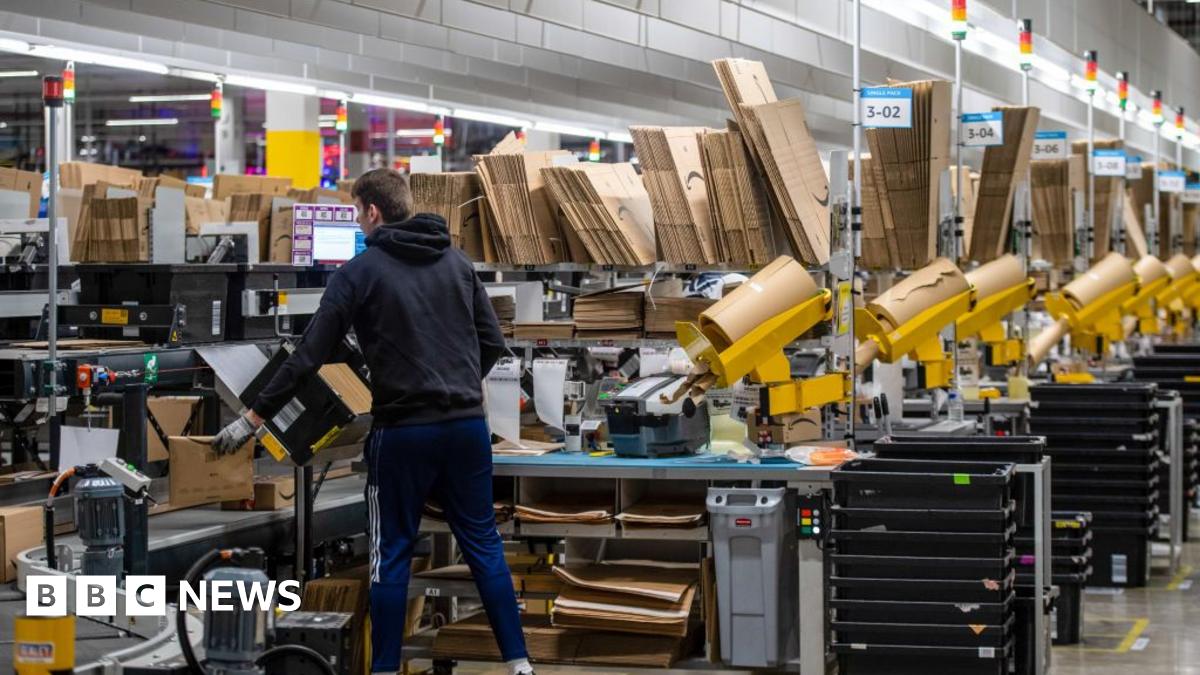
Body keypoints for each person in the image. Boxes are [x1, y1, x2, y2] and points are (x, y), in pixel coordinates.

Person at [213, 169, 532, 675]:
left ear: (372, 212)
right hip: (467, 429)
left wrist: (253, 416)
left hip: (403, 433)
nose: (359, 221)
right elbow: (493, 344)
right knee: (484, 544)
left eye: (357, 210)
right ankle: (521, 666)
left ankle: (384, 670)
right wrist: (459, 384)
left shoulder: (359, 273)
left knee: (392, 554)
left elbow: (308, 356)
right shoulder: (457, 263)